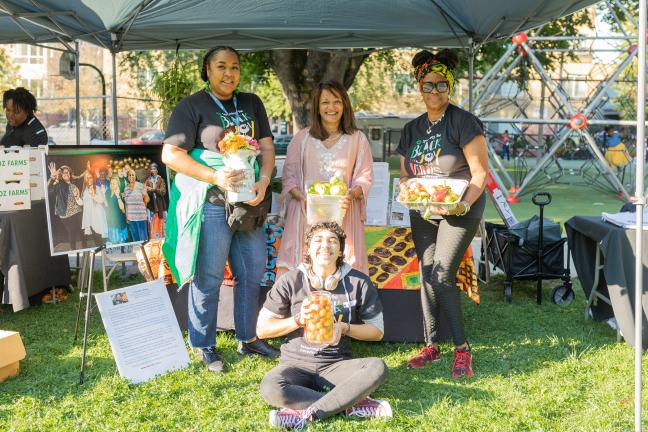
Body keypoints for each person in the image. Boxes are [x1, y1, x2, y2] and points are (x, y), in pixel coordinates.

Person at [161, 46, 278, 372]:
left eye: (235, 67)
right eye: (221, 67)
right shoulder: (191, 106)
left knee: (252, 271)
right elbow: (170, 154)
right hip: (212, 201)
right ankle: (204, 345)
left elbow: (267, 147)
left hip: (249, 202)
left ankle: (248, 339)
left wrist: (264, 180)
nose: (229, 73)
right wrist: (215, 176)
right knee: (209, 276)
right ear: (207, 71)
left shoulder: (252, 102)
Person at [397, 49, 488, 378]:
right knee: (426, 275)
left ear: (450, 87)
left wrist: (463, 203)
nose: (434, 91)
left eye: (441, 85)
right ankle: (431, 346)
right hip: (424, 210)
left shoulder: (463, 122)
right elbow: (406, 175)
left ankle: (462, 349)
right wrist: (409, 191)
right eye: (428, 85)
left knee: (441, 274)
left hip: (459, 208)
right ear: (419, 88)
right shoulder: (411, 129)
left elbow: (479, 174)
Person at [258, 222, 391, 429]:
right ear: (308, 249)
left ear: (340, 250)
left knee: (377, 367)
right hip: (295, 365)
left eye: (332, 241)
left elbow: (377, 332)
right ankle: (349, 404)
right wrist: (297, 320)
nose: (325, 246)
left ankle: (301, 413)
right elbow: (262, 329)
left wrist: (346, 328)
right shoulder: (290, 280)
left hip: (335, 364)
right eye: (318, 240)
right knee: (271, 387)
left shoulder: (359, 282)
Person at [277, 81, 373, 275]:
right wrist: (301, 197)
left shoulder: (358, 139)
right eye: (325, 102)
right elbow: (289, 176)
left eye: (337, 101)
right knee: (304, 270)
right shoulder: (302, 138)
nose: (331, 107)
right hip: (306, 217)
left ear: (345, 105)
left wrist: (352, 194)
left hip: (344, 216)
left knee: (343, 270)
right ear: (317, 107)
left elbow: (365, 175)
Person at [47, 162, 83, 251]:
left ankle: (85, 246)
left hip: (77, 210)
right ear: (61, 175)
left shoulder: (74, 184)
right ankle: (73, 250)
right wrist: (52, 177)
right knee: (72, 231)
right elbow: (49, 190)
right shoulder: (59, 184)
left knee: (83, 229)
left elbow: (78, 198)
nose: (65, 174)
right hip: (65, 213)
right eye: (63, 173)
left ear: (70, 174)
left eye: (67, 172)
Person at [81, 171, 108, 246]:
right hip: (90, 217)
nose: (89, 179)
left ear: (93, 178)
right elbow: (83, 203)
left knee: (100, 237)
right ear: (85, 180)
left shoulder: (98, 188)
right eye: (87, 178)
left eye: (90, 177)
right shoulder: (84, 190)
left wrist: (93, 196)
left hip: (98, 217)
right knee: (96, 239)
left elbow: (101, 200)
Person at [122, 168, 149, 242]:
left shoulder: (140, 186)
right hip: (131, 218)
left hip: (141, 217)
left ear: (135, 176)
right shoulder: (126, 189)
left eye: (133, 175)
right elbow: (126, 204)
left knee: (144, 239)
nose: (131, 176)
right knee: (136, 239)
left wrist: (144, 209)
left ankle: (145, 252)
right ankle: (138, 252)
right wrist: (127, 216)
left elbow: (147, 199)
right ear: (128, 177)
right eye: (130, 175)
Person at [144, 162, 167, 239]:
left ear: (157, 170)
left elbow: (163, 192)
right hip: (152, 206)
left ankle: (163, 238)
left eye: (154, 169)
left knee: (162, 223)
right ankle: (154, 239)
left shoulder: (161, 179)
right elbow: (145, 192)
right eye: (151, 169)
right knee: (153, 224)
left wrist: (154, 189)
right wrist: (147, 190)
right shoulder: (148, 180)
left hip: (160, 205)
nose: (152, 170)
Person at [105, 177, 129, 245]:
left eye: (114, 183)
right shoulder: (108, 192)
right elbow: (106, 205)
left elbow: (122, 209)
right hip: (111, 222)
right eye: (111, 183)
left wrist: (118, 196)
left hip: (119, 222)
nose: (112, 185)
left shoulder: (120, 194)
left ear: (118, 184)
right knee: (114, 243)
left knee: (121, 242)